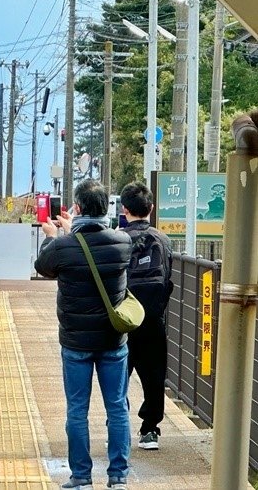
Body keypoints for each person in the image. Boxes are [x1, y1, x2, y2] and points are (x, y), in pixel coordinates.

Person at [35, 179, 132, 490]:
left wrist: (54, 236)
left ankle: (81, 477)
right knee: (117, 406)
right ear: (106, 208)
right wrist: (70, 232)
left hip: (76, 342)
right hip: (113, 341)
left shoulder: (63, 246)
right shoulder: (121, 242)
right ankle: (118, 477)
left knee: (77, 409)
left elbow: (44, 267)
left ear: (76, 208)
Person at [120, 182, 173, 451]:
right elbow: (169, 280)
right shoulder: (162, 240)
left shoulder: (117, 239)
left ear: (124, 209)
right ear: (151, 208)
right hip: (154, 319)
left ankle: (119, 429)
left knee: (118, 377)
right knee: (154, 376)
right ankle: (150, 430)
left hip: (122, 321)